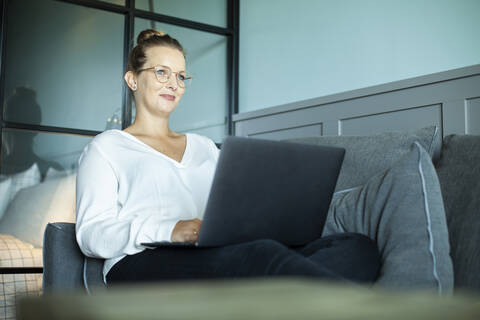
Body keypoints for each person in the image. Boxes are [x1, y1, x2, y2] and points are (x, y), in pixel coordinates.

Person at [76, 29, 380, 285]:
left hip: (215, 253)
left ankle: (279, 296)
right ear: (132, 80)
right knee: (261, 255)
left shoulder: (205, 146)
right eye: (161, 72)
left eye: (181, 76)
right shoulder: (107, 147)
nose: (173, 84)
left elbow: (229, 209)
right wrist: (170, 230)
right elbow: (91, 234)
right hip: (138, 263)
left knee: (356, 246)